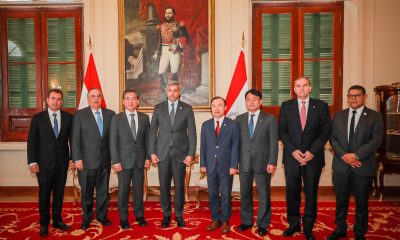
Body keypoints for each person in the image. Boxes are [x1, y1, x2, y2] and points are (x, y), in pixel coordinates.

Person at [278, 77, 331, 240]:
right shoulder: (286, 106)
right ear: (294, 89)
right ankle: (293, 224)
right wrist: (293, 151)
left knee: (311, 193)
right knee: (292, 192)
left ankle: (308, 226)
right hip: (292, 157)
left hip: (313, 158)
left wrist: (312, 152)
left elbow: (325, 132)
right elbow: (282, 131)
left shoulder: (321, 106)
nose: (301, 89)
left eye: (304, 85)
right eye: (298, 86)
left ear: (310, 88)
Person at [328, 85, 383, 240]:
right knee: (341, 201)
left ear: (364, 97)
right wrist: (345, 156)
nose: (353, 98)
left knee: (361, 202)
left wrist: (356, 156)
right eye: (350, 95)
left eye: (357, 95)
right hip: (341, 166)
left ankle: (360, 232)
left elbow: (376, 140)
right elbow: (333, 139)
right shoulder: (338, 115)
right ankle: (340, 229)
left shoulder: (374, 116)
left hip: (363, 166)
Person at [148, 81, 196, 228]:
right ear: (166, 91)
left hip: (180, 154)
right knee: (164, 186)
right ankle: (167, 215)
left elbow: (192, 133)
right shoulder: (158, 108)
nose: (172, 93)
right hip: (162, 154)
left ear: (179, 92)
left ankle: (179, 215)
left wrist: (191, 153)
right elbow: (152, 132)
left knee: (180, 187)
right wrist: (151, 152)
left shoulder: (187, 109)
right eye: (170, 90)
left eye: (175, 90)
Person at [27, 89, 73, 237]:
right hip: (44, 164)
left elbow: (73, 141)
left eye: (59, 99)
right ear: (47, 99)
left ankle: (57, 220)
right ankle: (44, 223)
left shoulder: (68, 117)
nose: (56, 101)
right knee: (44, 195)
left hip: (62, 164)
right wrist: (32, 162)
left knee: (59, 194)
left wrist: (72, 158)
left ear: (62, 101)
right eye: (53, 98)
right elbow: (32, 142)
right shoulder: (38, 118)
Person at [235, 89, 279, 236]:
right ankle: (246, 221)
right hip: (244, 163)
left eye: (254, 99)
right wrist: (235, 163)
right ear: (245, 102)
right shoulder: (239, 119)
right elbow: (236, 144)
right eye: (248, 99)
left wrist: (272, 161)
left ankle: (263, 223)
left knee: (263, 194)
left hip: (263, 163)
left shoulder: (270, 119)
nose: (251, 102)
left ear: (260, 102)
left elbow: (274, 143)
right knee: (245, 194)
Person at [71, 88, 115, 230]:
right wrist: (77, 158)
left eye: (98, 96)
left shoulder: (110, 114)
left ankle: (102, 216)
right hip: (86, 162)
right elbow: (75, 139)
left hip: (104, 161)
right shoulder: (79, 115)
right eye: (93, 96)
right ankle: (87, 218)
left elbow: (113, 139)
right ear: (88, 98)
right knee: (87, 193)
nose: (96, 99)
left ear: (102, 98)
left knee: (103, 191)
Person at [110, 89, 150, 230]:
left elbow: (148, 140)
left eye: (134, 98)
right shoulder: (116, 118)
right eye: (127, 98)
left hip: (140, 161)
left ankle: (139, 215)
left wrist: (148, 157)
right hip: (123, 162)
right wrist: (115, 161)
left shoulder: (144, 118)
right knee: (123, 191)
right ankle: (124, 218)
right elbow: (113, 142)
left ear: (138, 101)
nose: (131, 101)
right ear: (123, 101)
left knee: (139, 190)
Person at [200, 97, 239, 234]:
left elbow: (235, 146)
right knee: (212, 194)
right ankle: (215, 219)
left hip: (227, 166)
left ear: (225, 107)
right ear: (211, 108)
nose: (216, 108)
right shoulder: (206, 125)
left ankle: (225, 220)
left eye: (219, 106)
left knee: (226, 194)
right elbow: (203, 146)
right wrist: (203, 163)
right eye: (214, 106)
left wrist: (234, 164)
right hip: (210, 165)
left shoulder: (232, 125)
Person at [153, 6, 189, 91]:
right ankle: (163, 90)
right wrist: (157, 52)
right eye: (166, 13)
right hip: (164, 50)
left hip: (175, 50)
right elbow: (159, 40)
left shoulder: (179, 25)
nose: (167, 15)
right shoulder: (161, 26)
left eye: (169, 13)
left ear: (173, 14)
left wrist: (177, 44)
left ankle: (175, 90)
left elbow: (185, 37)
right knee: (161, 70)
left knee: (175, 70)